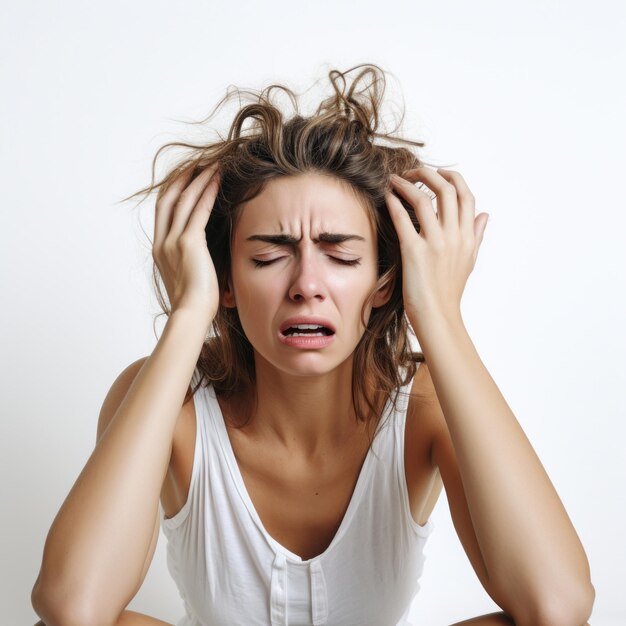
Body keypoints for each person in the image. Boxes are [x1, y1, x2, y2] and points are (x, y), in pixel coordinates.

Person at [31, 64, 594, 626]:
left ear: (383, 283)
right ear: (225, 279)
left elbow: (558, 607)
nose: (306, 284)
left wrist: (440, 316)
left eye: (341, 255)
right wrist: (187, 314)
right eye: (268, 256)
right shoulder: (165, 399)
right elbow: (71, 607)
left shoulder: (422, 405)